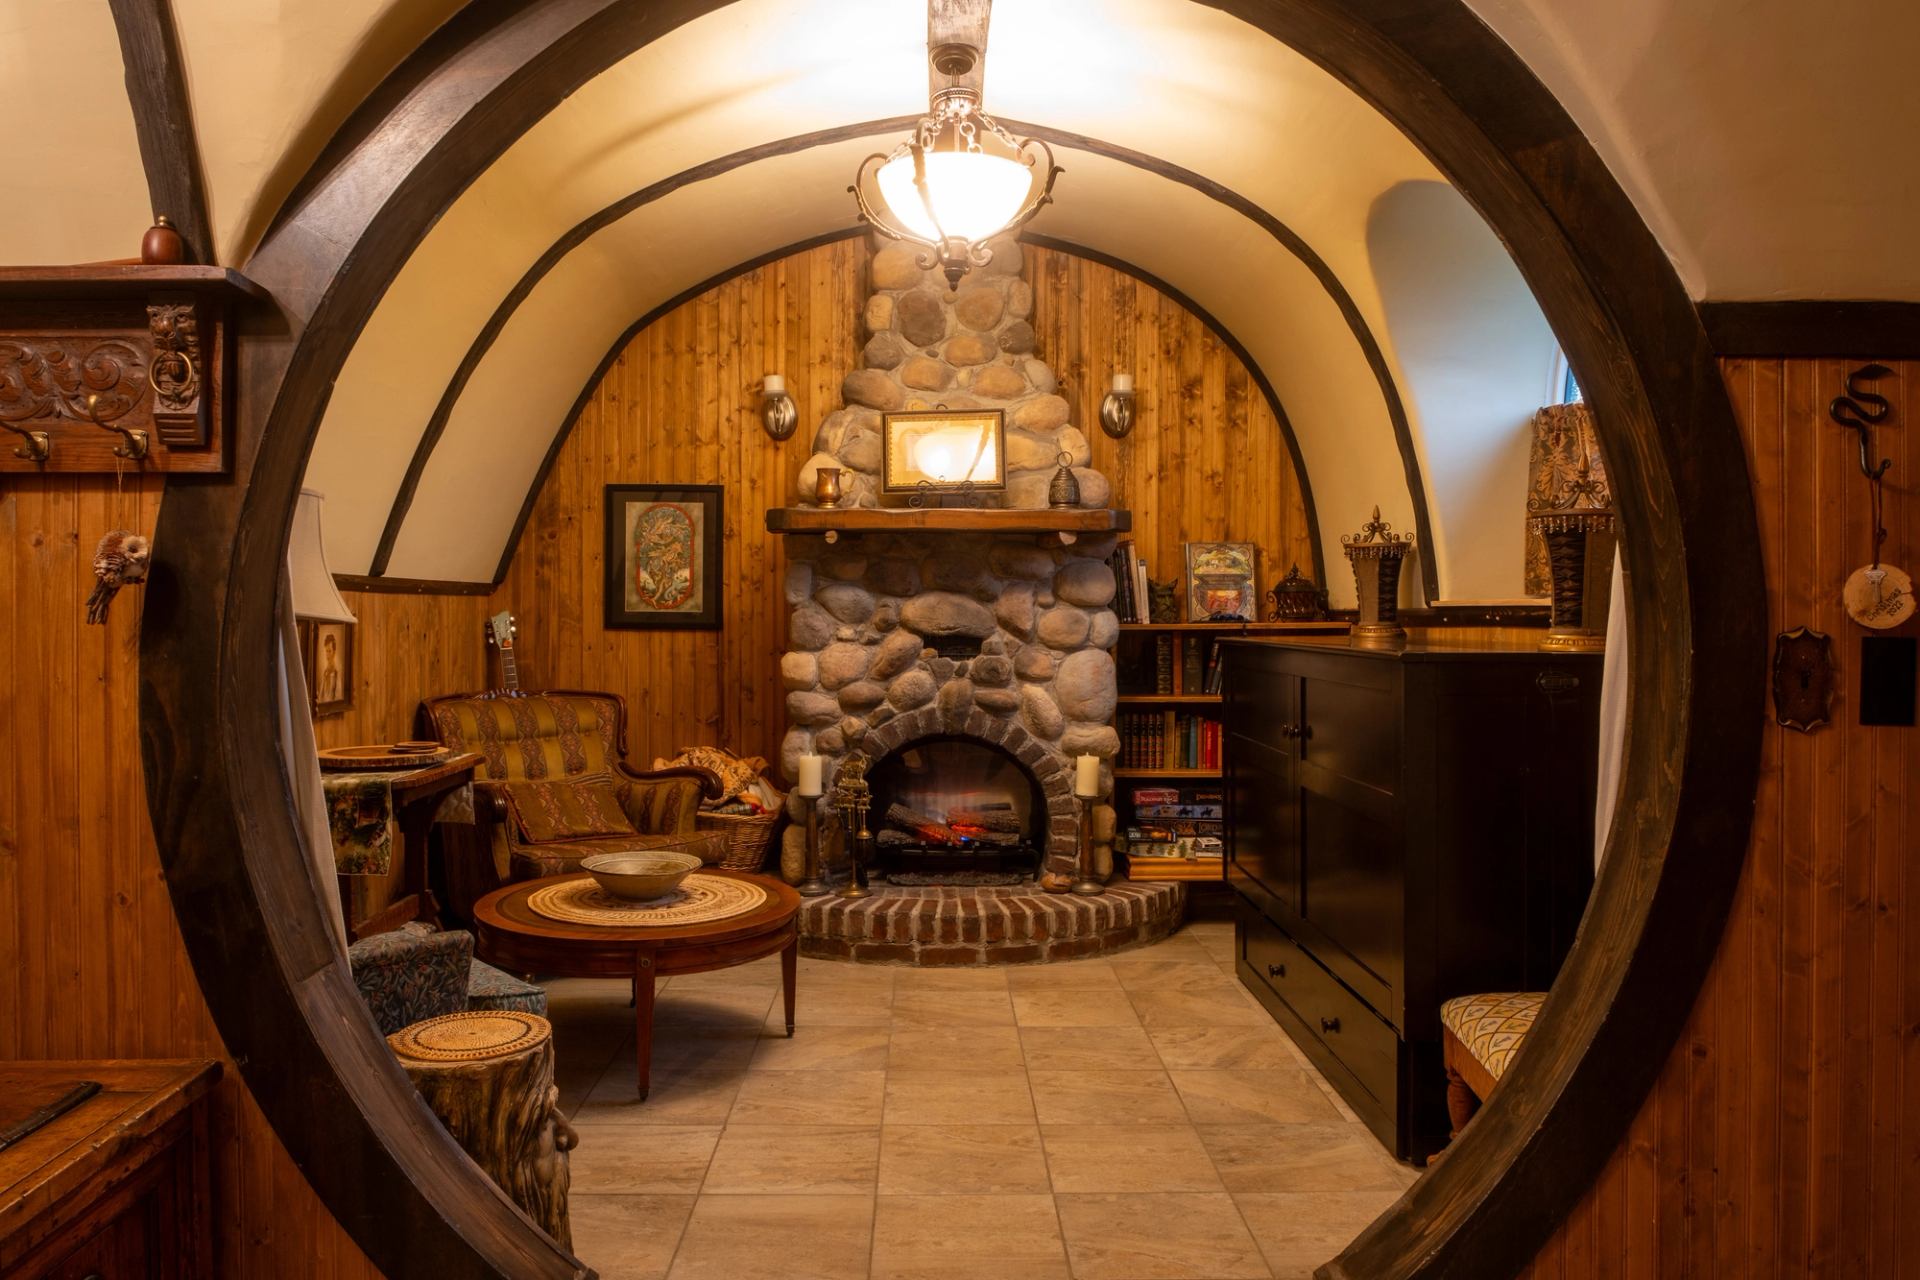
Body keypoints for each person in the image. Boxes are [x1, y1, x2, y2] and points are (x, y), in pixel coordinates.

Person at [316, 631, 343, 703]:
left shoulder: (337, 674)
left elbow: (338, 699)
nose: (327, 655)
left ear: (334, 652)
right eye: (326, 651)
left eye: (329, 651)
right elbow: (320, 698)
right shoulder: (325, 672)